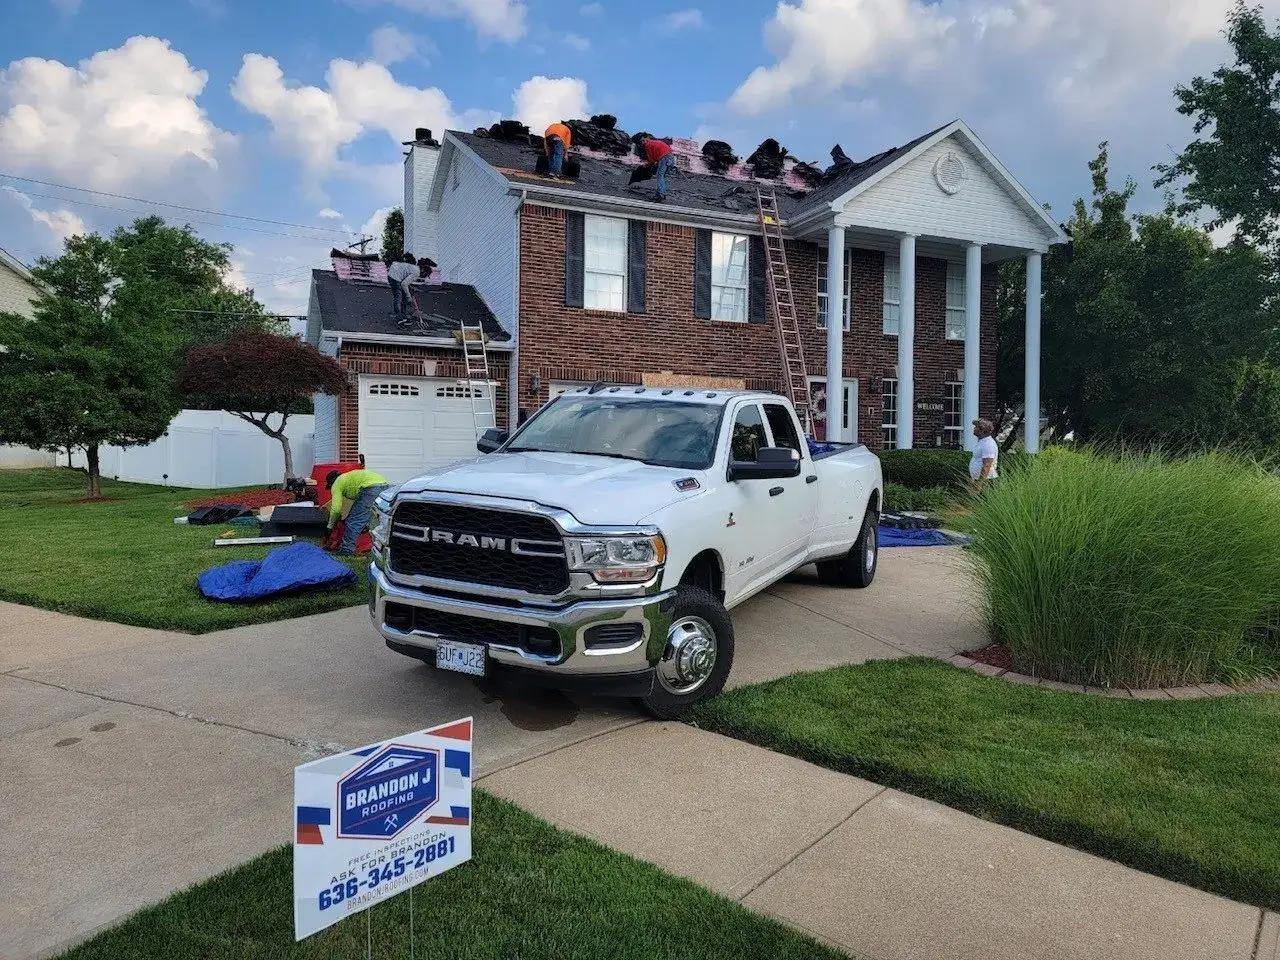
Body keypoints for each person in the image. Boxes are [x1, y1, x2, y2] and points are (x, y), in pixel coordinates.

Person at [326, 467, 389, 555]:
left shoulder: (337, 483)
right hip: (384, 485)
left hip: (370, 488)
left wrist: (330, 526)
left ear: (331, 483)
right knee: (376, 520)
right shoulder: (348, 478)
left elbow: (336, 509)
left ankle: (347, 550)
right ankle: (377, 546)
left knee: (354, 521)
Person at [637, 135, 675, 201]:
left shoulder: (648, 145)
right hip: (671, 157)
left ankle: (660, 195)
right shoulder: (655, 142)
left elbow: (651, 159)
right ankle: (662, 193)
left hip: (664, 157)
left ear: (647, 139)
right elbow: (656, 158)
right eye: (641, 141)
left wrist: (646, 165)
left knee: (659, 175)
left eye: (643, 141)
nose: (642, 143)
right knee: (662, 176)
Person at [387, 252, 418, 323]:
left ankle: (403, 315)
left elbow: (405, 279)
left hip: (397, 277)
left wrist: (409, 289)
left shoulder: (407, 266)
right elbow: (404, 282)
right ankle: (399, 318)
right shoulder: (405, 265)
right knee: (398, 297)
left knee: (404, 297)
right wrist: (409, 296)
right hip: (394, 278)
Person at [970, 418, 999, 492]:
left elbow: (987, 465)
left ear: (982, 430)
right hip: (980, 479)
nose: (974, 428)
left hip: (986, 481)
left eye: (976, 427)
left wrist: (979, 484)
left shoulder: (988, 444)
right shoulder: (982, 441)